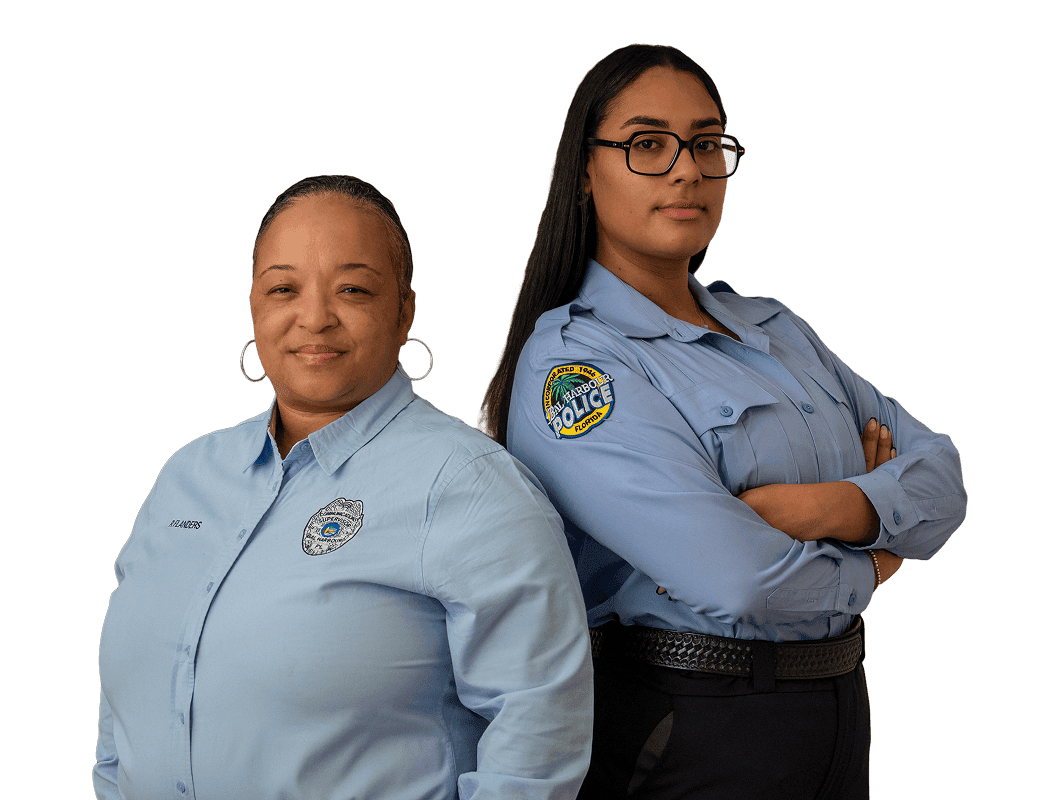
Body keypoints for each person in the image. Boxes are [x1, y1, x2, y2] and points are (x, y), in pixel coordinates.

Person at [479, 45, 967, 799]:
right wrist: (877, 554)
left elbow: (943, 474)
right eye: (648, 145)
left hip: (839, 707)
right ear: (584, 170)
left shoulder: (775, 328)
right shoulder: (574, 369)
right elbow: (740, 581)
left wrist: (831, 506)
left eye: (707, 144)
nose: (686, 170)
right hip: (692, 727)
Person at [94, 175, 593, 800]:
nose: (315, 318)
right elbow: (125, 704)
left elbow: (541, 732)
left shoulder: (468, 484)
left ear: (405, 311)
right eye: (284, 288)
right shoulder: (187, 475)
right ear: (254, 304)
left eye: (353, 289)